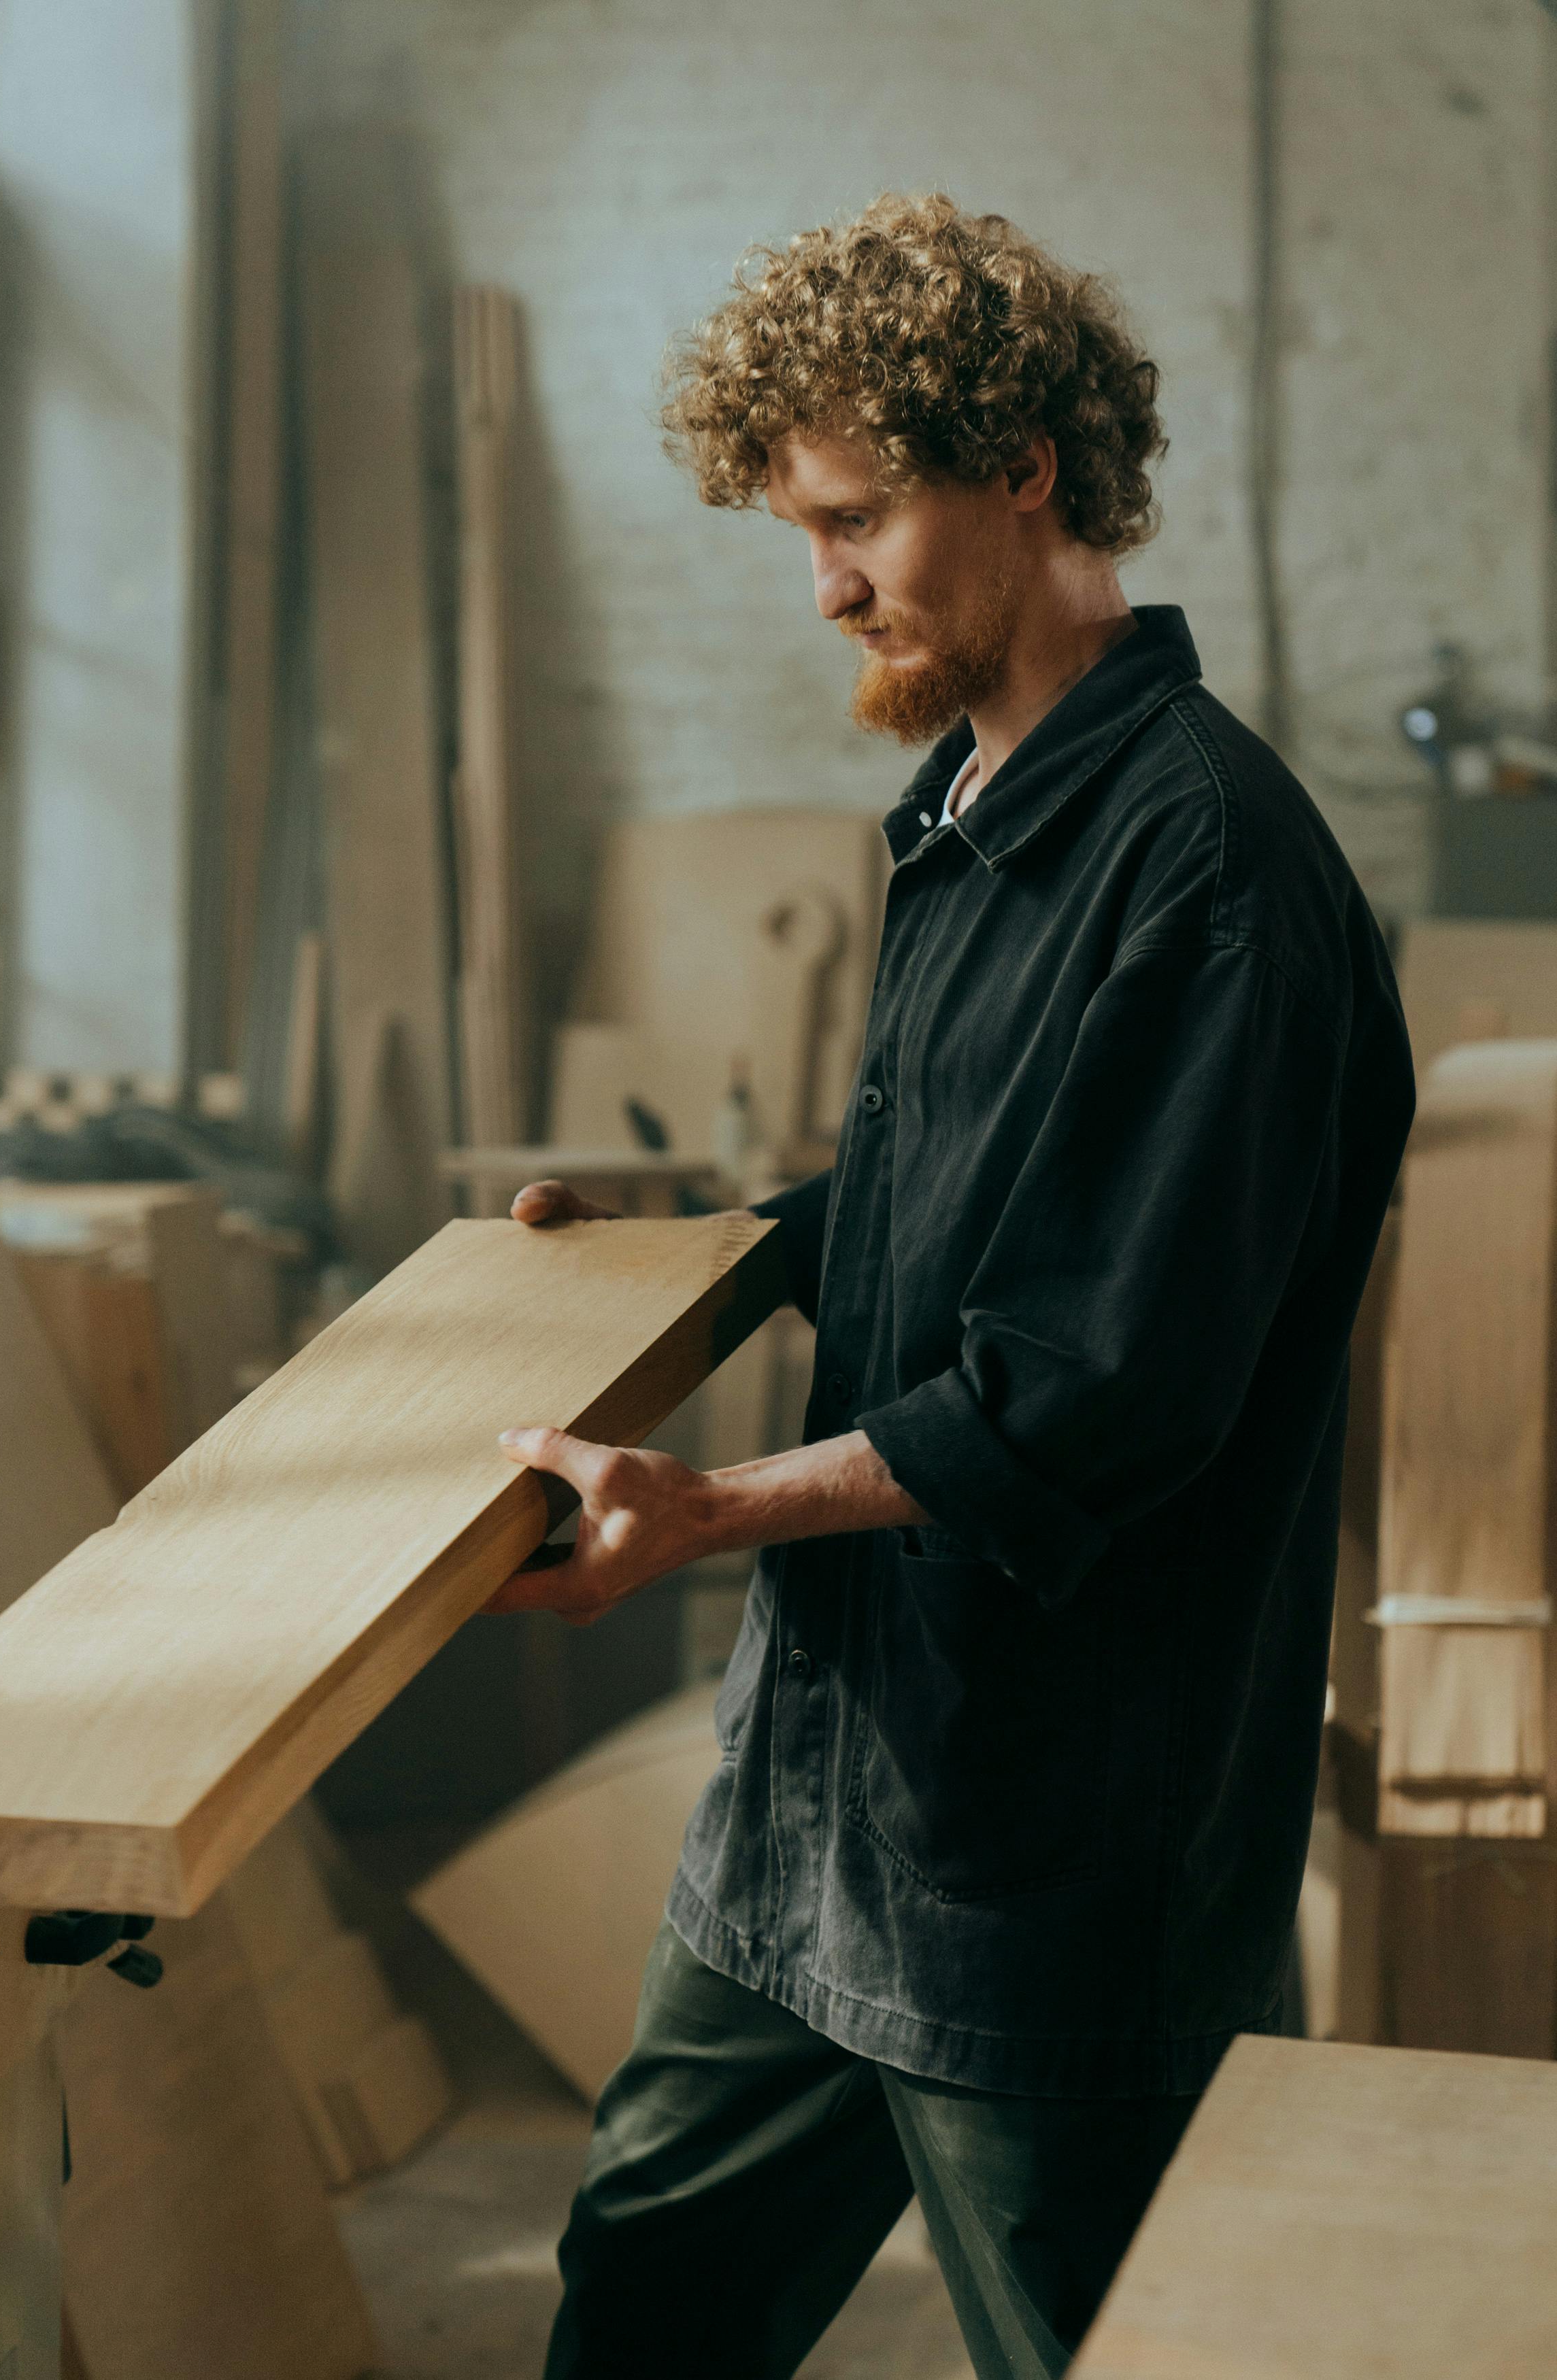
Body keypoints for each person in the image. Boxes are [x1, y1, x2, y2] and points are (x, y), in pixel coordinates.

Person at [488, 194, 1415, 2379]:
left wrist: (703, 1515)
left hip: (1051, 1845)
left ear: (1027, 469)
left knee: (1107, 2346)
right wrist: (700, 1246)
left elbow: (1088, 1389)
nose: (823, 585)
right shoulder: (970, 803)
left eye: (855, 518)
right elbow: (939, 1204)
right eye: (795, 530)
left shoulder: (1208, 875)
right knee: (644, 2302)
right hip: (823, 1782)